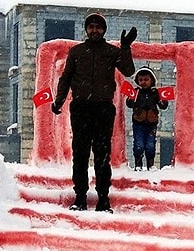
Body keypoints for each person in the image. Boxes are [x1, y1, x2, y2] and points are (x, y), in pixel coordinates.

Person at [51, 12, 137, 212]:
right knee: (80, 154)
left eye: (98, 27)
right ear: (86, 30)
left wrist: (125, 48)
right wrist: (59, 100)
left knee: (102, 155)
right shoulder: (76, 52)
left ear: (104, 30)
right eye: (91, 27)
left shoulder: (111, 51)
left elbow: (128, 71)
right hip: (81, 108)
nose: (94, 30)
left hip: (103, 109)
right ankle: (80, 197)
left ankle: (103, 199)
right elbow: (65, 78)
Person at [126, 66, 169, 171]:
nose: (143, 82)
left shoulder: (156, 93)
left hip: (151, 124)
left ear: (152, 80)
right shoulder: (136, 92)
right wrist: (131, 99)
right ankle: (138, 165)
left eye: (146, 80)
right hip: (138, 123)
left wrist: (163, 101)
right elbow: (129, 104)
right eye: (141, 80)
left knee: (150, 145)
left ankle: (150, 165)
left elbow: (163, 106)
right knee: (138, 145)